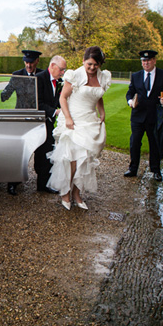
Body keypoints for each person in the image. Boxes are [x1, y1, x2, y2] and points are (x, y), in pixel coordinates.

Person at [47, 46, 110, 210]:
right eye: (89, 64)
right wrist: (67, 118)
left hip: (89, 121)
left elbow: (98, 95)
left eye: (95, 65)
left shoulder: (103, 77)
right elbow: (63, 97)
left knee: (85, 161)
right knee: (72, 160)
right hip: (73, 121)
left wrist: (101, 111)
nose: (91, 68)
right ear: (83, 61)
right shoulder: (75, 75)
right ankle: (65, 193)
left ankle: (77, 194)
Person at [124, 50, 163, 182]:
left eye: (148, 60)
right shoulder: (136, 76)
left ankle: (156, 170)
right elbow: (130, 93)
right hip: (138, 115)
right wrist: (131, 102)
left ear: (154, 61)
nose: (146, 63)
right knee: (134, 142)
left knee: (154, 144)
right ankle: (133, 168)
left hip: (155, 116)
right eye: (143, 61)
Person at [2, 50, 44, 195]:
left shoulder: (42, 75)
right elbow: (6, 93)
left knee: (41, 151)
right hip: (20, 118)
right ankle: (13, 183)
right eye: (26, 62)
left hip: (37, 118)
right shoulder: (17, 75)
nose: (28, 65)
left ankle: (42, 183)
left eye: (31, 62)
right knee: (18, 151)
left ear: (37, 61)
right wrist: (4, 94)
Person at [34, 55, 67, 193]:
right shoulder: (39, 78)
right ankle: (42, 184)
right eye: (61, 69)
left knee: (48, 151)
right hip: (40, 123)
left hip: (50, 122)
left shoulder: (58, 81)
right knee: (43, 152)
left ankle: (43, 183)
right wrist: (55, 111)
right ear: (52, 66)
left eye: (64, 70)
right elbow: (38, 103)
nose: (62, 73)